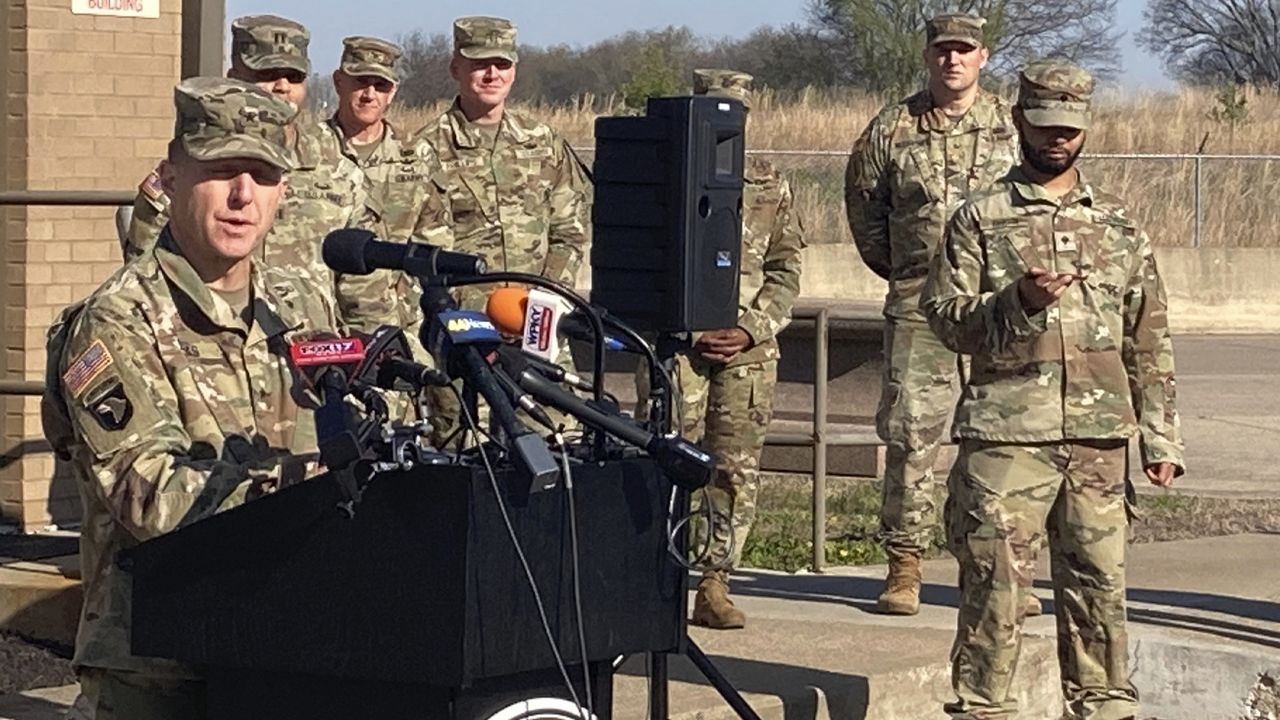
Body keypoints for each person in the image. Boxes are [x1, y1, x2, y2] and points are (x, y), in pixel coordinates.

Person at [43, 77, 339, 719]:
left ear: (282, 191)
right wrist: (306, 488)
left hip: (288, 641)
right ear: (172, 178)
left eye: (261, 175)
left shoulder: (301, 303)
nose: (242, 197)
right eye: (222, 171)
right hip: (161, 664)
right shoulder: (115, 321)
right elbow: (145, 491)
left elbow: (350, 426)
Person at [921, 59, 1183, 720]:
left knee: (1100, 593)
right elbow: (947, 320)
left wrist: (1160, 435)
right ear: (1018, 122)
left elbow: (1147, 335)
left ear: (1085, 128)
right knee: (995, 596)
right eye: (1043, 126)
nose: (1056, 140)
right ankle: (984, 710)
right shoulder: (980, 218)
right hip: (1008, 437)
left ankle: (1104, 709)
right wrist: (1017, 301)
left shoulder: (1119, 225)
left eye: (1068, 128)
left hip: (1097, 443)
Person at [843, 13, 1020, 615]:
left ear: (983, 57)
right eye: (943, 50)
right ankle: (904, 566)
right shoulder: (892, 128)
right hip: (921, 304)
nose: (953, 61)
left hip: (998, 306)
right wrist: (907, 272)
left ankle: (993, 570)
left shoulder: (1011, 126)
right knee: (911, 436)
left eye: (964, 50)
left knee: (998, 440)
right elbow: (866, 211)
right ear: (928, 57)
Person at [648, 70, 805, 630]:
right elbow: (648, 263)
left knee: (733, 471)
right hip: (680, 351)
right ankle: (657, 579)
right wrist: (688, 329)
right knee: (664, 462)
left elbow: (787, 269)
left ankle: (715, 582)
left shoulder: (769, 184)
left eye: (733, 112)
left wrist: (751, 328)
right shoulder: (667, 174)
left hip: (748, 354)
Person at [122, 15, 397, 333]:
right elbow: (144, 281)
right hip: (206, 357)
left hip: (311, 359)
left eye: (293, 77)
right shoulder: (186, 179)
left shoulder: (341, 174)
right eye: (266, 74)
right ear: (234, 76)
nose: (281, 87)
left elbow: (366, 299)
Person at [414, 15, 591, 439]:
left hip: (538, 329)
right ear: (455, 67)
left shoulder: (542, 141)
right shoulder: (425, 148)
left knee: (557, 447)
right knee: (460, 456)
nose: (492, 74)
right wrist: (470, 319)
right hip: (465, 336)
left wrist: (542, 301)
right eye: (479, 64)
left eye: (502, 64)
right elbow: (425, 249)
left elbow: (570, 229)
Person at [327, 35, 454, 360]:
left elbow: (434, 246)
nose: (369, 95)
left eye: (380, 86)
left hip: (392, 332)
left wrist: (409, 304)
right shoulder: (310, 154)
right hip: (323, 329)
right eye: (360, 83)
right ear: (339, 81)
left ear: (393, 92)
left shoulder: (416, 156)